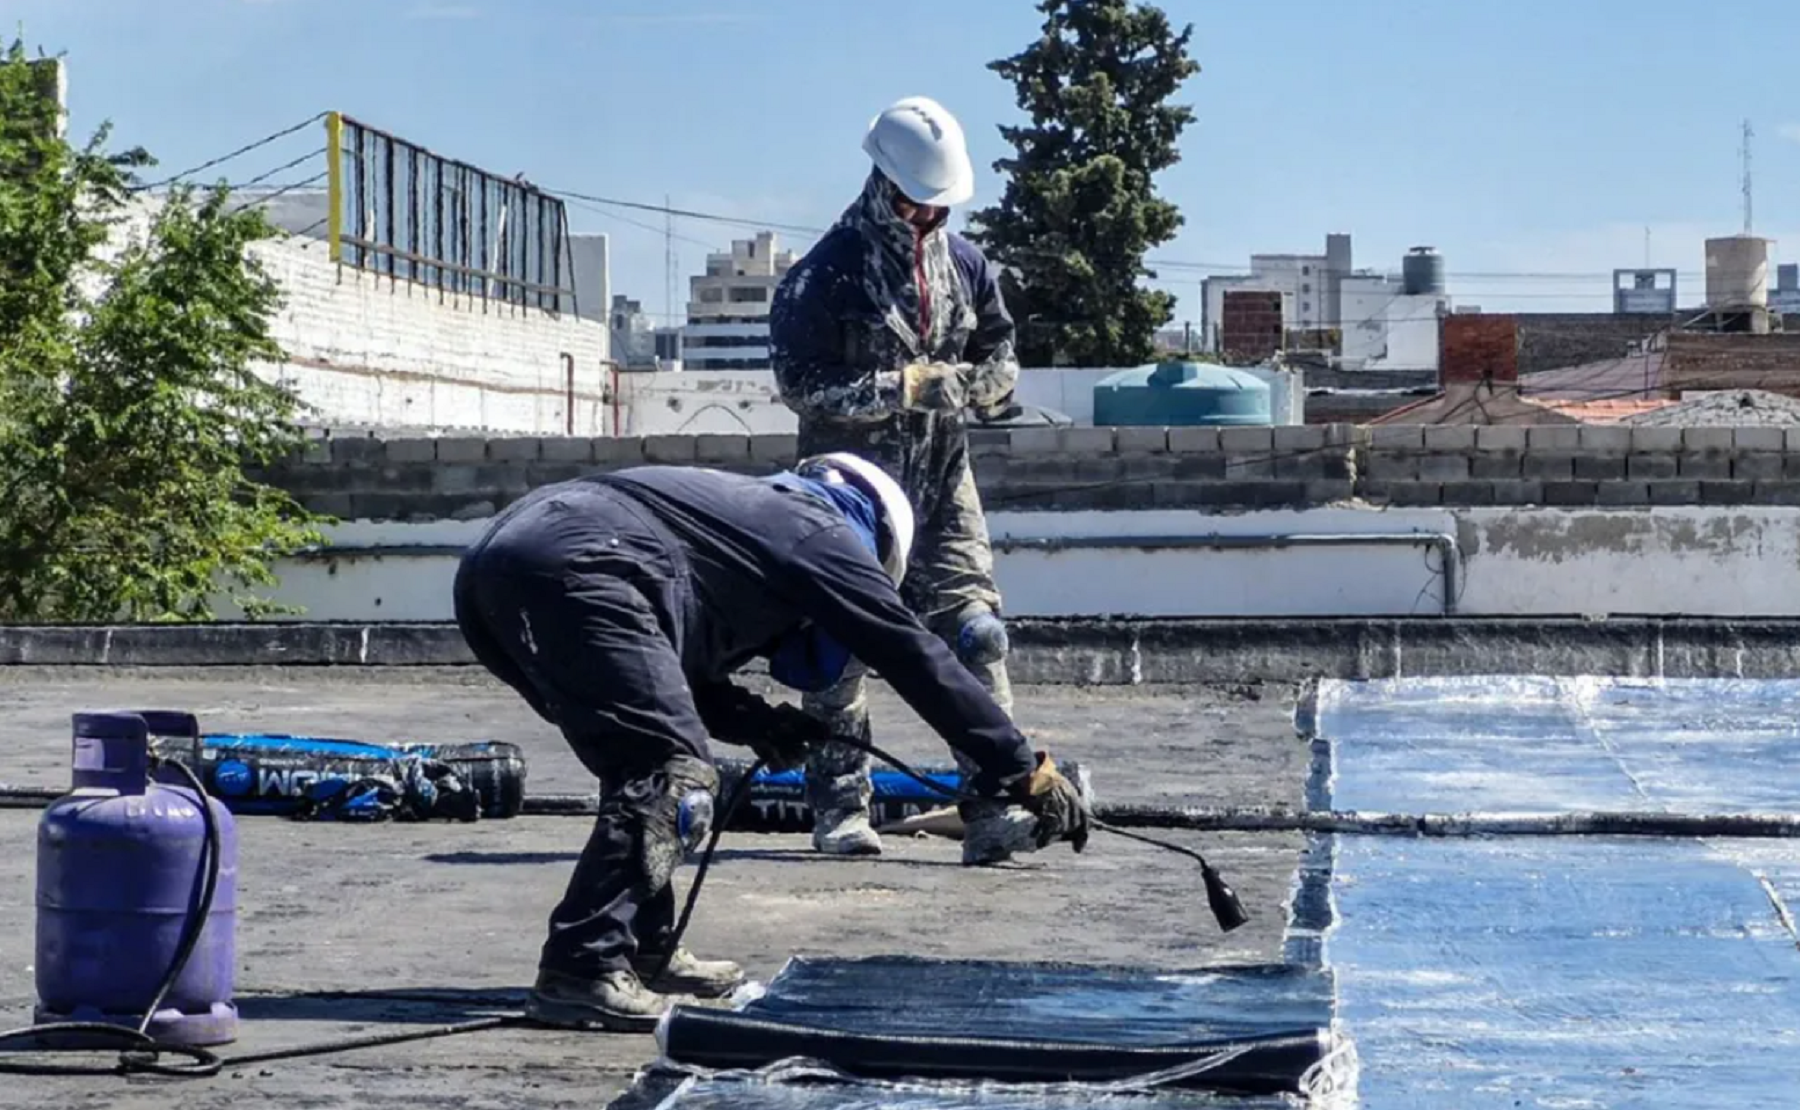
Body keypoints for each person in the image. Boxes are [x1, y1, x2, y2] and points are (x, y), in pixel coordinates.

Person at [451, 453, 1090, 1033]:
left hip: (503, 566)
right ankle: (582, 967)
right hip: (581, 563)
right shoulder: (822, 531)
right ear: (880, 541)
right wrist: (1021, 769)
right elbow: (913, 654)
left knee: (640, 760)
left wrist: (765, 725)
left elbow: (681, 681)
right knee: (670, 771)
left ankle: (643, 948)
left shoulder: (738, 517)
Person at [769, 95, 1020, 862]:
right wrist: (902, 386)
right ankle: (841, 808)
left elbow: (1002, 358)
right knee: (839, 646)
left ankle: (996, 803)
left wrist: (982, 386)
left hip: (942, 481)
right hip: (849, 487)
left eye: (940, 204)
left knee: (976, 636)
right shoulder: (827, 274)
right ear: (884, 181)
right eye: (918, 201)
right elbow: (800, 382)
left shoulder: (968, 265)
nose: (928, 216)